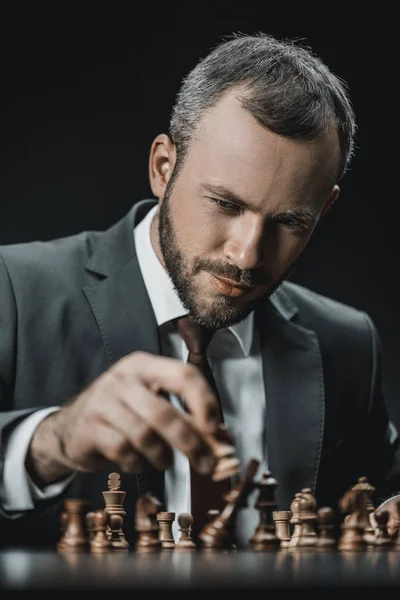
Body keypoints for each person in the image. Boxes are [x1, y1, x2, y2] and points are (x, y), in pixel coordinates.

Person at [0, 31, 399, 550]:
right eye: (226, 204)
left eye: (288, 222)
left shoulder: (347, 344)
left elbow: (380, 498)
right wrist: (50, 442)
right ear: (163, 168)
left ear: (323, 210)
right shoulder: (11, 289)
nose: (247, 253)